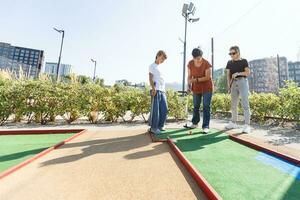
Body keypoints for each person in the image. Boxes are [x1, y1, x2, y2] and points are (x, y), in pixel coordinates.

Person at [184, 48, 213, 134]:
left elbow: (208, 77)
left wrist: (195, 80)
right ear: (193, 57)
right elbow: (189, 76)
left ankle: (206, 126)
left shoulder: (206, 63)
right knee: (196, 105)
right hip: (196, 88)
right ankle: (195, 123)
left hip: (207, 87)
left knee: (206, 106)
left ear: (201, 56)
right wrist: (188, 85)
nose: (197, 60)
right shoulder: (190, 63)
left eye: (199, 58)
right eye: (195, 58)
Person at [225, 46, 251, 133]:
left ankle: (247, 125)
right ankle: (233, 122)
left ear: (238, 53)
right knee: (233, 104)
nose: (231, 55)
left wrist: (238, 73)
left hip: (242, 82)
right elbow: (228, 75)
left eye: (233, 53)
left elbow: (247, 73)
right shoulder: (229, 62)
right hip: (233, 84)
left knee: (245, 103)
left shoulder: (244, 61)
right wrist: (228, 85)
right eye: (230, 53)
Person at [148, 50, 168, 135]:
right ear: (158, 55)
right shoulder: (152, 66)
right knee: (155, 110)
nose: (163, 60)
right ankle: (153, 128)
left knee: (164, 108)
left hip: (162, 90)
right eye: (162, 58)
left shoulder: (161, 67)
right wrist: (153, 88)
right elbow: (150, 78)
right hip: (155, 89)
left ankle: (160, 126)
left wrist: (164, 90)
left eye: (164, 59)